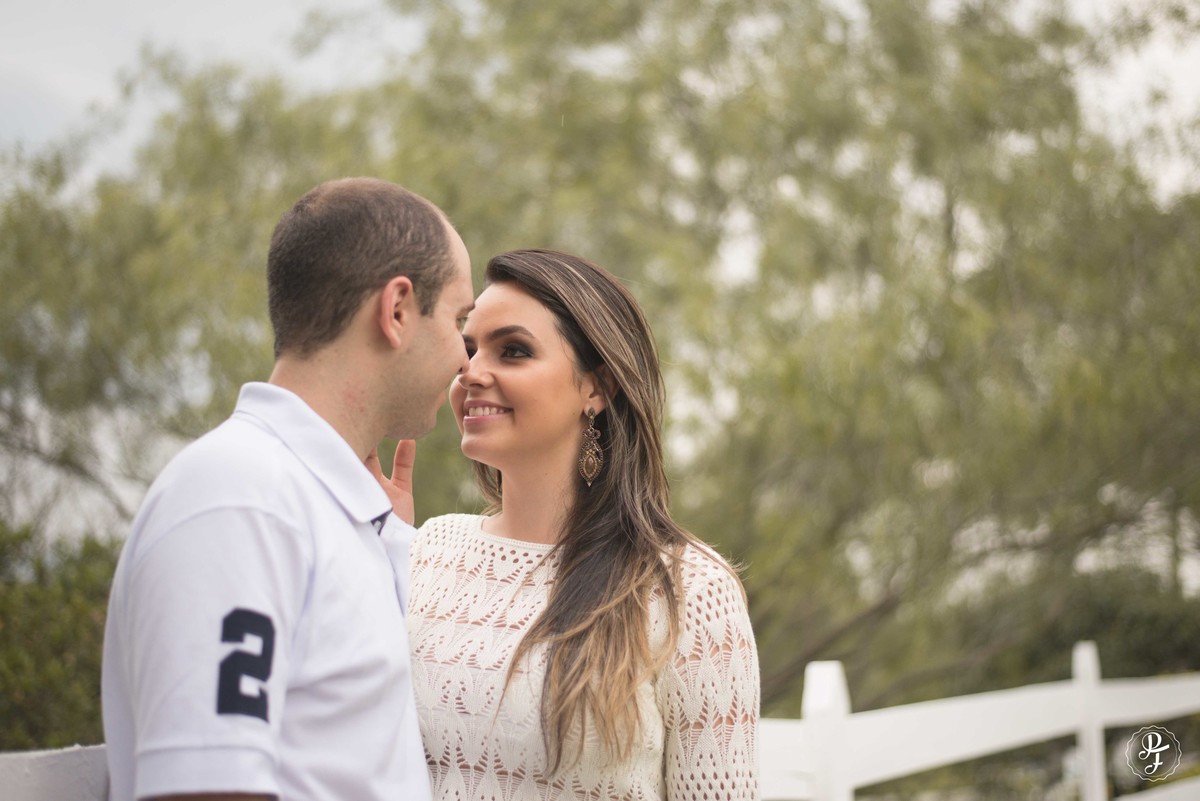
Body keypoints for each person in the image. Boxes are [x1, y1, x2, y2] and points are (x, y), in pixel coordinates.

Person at [101, 177, 476, 801]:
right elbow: (206, 790)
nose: (466, 360)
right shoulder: (241, 499)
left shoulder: (326, 506)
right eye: (459, 319)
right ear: (398, 310)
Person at [401, 249, 760, 799]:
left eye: (513, 351)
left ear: (597, 387)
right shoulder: (425, 549)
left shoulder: (690, 591)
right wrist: (368, 554)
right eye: (468, 348)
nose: (471, 372)